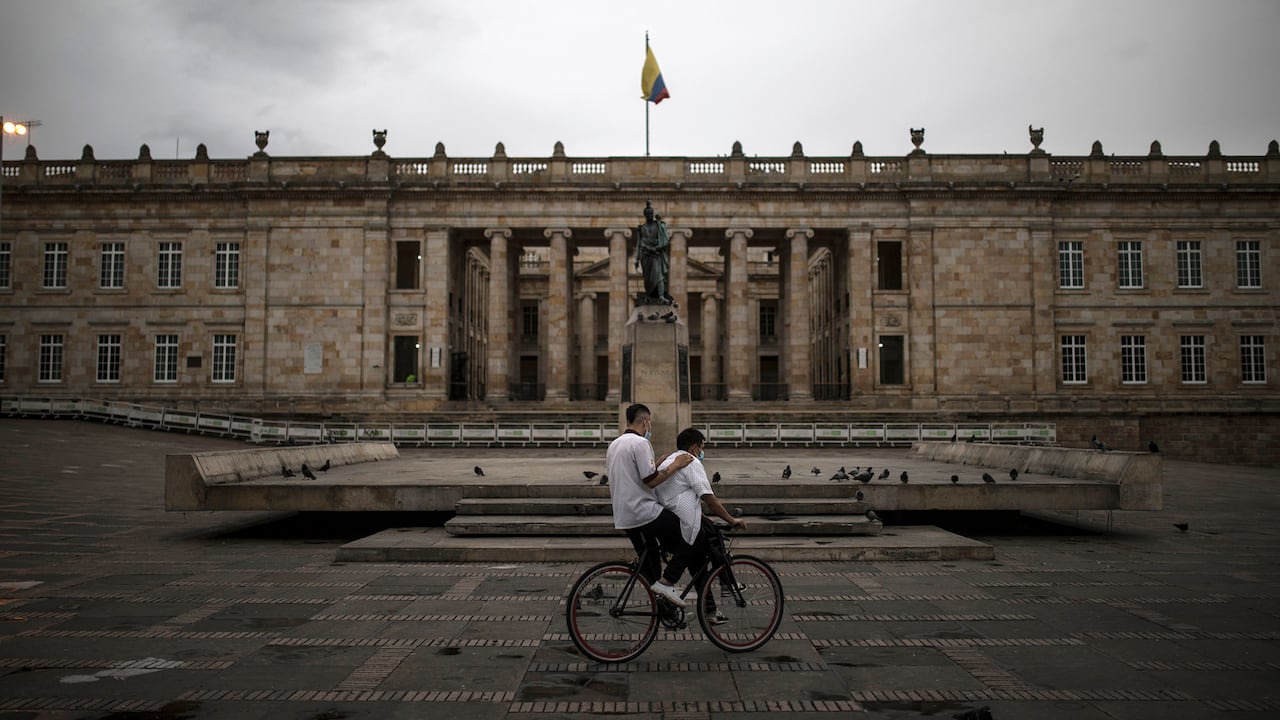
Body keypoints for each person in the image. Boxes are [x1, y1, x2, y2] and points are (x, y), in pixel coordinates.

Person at [605, 403, 695, 607]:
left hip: (625, 515)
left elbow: (633, 475)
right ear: (645, 421)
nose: (650, 426)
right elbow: (651, 481)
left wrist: (658, 463)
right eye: (650, 422)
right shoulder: (640, 443)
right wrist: (676, 464)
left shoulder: (615, 444)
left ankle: (662, 607)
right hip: (645, 512)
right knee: (692, 533)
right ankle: (668, 581)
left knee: (651, 566)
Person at [654, 427, 746, 621]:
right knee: (713, 537)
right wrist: (731, 519)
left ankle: (710, 609)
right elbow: (709, 498)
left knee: (699, 561)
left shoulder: (670, 459)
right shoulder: (691, 461)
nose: (702, 452)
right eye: (702, 447)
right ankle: (726, 582)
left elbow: (682, 493)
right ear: (694, 448)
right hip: (682, 522)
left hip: (669, 519)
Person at [634, 200, 672, 304]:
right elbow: (639, 244)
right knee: (648, 279)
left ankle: (661, 296)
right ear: (645, 215)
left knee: (659, 275)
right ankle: (650, 296)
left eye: (651, 214)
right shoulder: (642, 228)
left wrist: (658, 247)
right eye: (648, 214)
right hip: (645, 255)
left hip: (656, 254)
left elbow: (665, 239)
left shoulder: (658, 225)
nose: (650, 216)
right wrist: (636, 259)